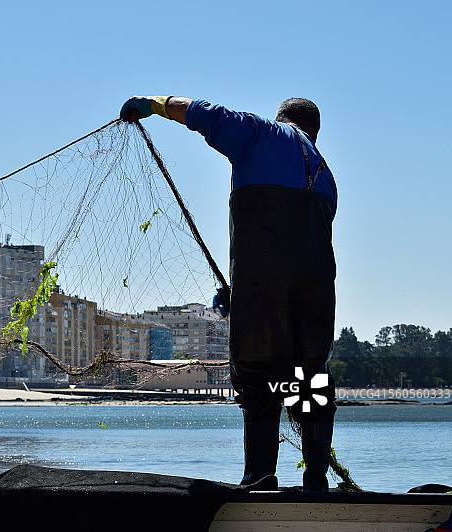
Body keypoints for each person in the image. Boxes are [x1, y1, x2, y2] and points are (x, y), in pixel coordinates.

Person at [120, 96, 337, 491]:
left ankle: (259, 480)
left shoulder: (263, 134)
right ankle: (316, 482)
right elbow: (297, 249)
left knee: (258, 380)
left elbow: (205, 114)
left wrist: (153, 104)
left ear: (282, 119)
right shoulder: (326, 175)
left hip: (262, 295)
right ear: (315, 132)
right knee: (309, 380)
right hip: (317, 297)